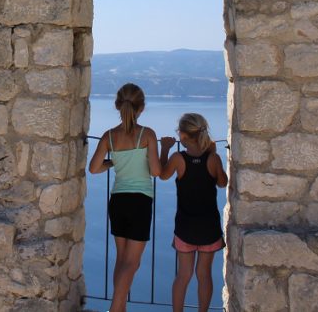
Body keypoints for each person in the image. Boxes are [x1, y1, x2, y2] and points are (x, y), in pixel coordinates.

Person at [88, 83, 161, 312]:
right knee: (133, 262)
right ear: (142, 108)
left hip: (118, 200)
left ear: (118, 106)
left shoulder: (109, 136)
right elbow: (156, 171)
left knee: (121, 259)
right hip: (140, 200)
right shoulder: (147, 134)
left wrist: (113, 162)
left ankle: (119, 308)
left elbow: (93, 168)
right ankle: (116, 306)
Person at [160, 113, 228, 312]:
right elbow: (222, 183)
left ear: (182, 136)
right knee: (204, 275)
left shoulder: (177, 159)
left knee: (183, 275)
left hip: (185, 227)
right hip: (209, 228)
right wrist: (214, 154)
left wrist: (164, 149)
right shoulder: (213, 158)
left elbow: (163, 175)